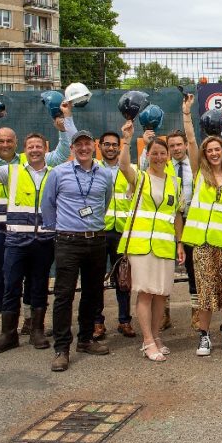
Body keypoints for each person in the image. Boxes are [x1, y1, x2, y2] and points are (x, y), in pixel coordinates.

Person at [0, 101, 75, 334]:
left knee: (36, 280)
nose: (5, 144)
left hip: (33, 234)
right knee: (6, 281)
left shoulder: (30, 164)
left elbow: (63, 152)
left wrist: (62, 127)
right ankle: (8, 330)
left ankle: (30, 323)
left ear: (17, 144)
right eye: (0, 141)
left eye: (9, 141)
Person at [0, 127, 57, 354]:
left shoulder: (54, 173)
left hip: (44, 241)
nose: (35, 150)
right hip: (16, 240)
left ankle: (37, 331)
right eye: (31, 147)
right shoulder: (12, 171)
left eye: (39, 146)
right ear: (25, 150)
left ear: (45, 149)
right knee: (10, 285)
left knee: (39, 285)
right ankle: (8, 334)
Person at [176, 97, 222, 357]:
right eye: (210, 151)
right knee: (204, 291)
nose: (214, 153)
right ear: (205, 154)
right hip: (202, 244)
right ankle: (204, 337)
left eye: (218, 150)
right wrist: (186, 114)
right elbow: (192, 141)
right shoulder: (199, 173)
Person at [40, 130, 115, 372]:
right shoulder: (58, 173)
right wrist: (60, 230)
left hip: (95, 241)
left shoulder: (104, 174)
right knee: (64, 295)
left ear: (93, 147)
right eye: (78, 144)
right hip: (68, 241)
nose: (83, 148)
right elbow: (48, 204)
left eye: (86, 144)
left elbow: (106, 201)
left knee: (93, 293)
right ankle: (62, 348)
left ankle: (85, 339)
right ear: (72, 148)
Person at [119, 121, 185, 362]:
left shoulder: (174, 182)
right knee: (146, 293)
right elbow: (123, 165)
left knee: (161, 294)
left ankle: (157, 336)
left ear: (168, 156)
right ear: (147, 155)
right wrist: (126, 140)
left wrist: (179, 242)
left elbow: (177, 214)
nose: (158, 157)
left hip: (165, 245)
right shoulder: (140, 177)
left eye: (162, 153)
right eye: (154, 153)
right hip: (141, 245)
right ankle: (147, 341)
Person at [143, 128, 195, 330]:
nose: (175, 149)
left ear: (185, 145)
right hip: (164, 224)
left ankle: (196, 312)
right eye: (171, 146)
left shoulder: (195, 165)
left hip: (190, 223)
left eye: (178, 144)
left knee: (193, 271)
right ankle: (163, 314)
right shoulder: (162, 166)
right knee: (163, 272)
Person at [93, 131, 134, 340]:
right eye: (106, 144)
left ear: (120, 147)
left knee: (123, 279)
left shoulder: (129, 169)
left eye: (114, 145)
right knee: (95, 280)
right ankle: (97, 323)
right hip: (99, 232)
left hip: (122, 233)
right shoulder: (92, 169)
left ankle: (124, 320)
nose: (110, 148)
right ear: (99, 146)